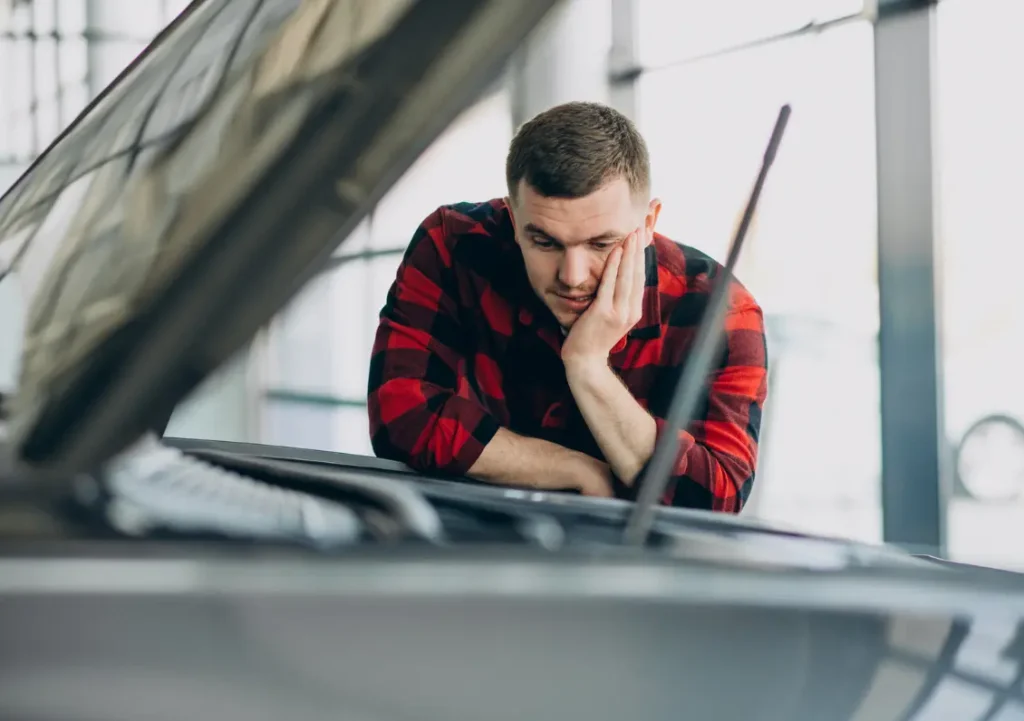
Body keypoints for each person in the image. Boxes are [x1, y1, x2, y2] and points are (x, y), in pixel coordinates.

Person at [367, 101, 767, 512]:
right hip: (471, 549)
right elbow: (401, 416)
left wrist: (588, 365)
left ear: (649, 224)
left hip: (638, 569)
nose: (572, 276)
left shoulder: (721, 310)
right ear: (512, 216)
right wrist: (576, 470)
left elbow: (715, 498)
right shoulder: (452, 246)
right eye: (544, 241)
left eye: (601, 244)